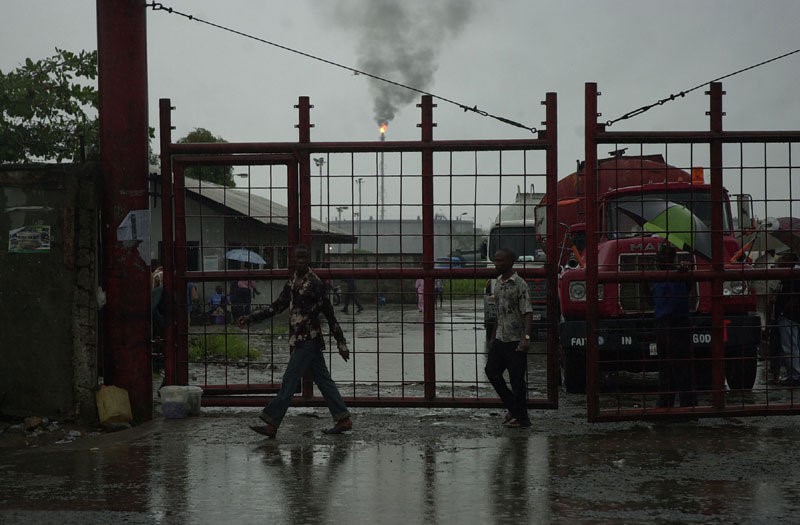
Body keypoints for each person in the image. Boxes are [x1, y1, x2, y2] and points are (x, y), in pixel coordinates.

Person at [239, 244, 353, 438]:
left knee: (290, 380)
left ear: (308, 260)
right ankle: (343, 419)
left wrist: (341, 343)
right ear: (293, 260)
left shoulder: (316, 283)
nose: (300, 261)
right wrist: (251, 318)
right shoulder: (292, 282)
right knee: (324, 380)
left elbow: (329, 314)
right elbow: (277, 307)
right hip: (303, 340)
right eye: (297, 258)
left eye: (304, 258)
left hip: (307, 340)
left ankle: (271, 423)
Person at [484, 247, 533, 428]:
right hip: (500, 339)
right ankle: (515, 408)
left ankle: (523, 419)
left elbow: (527, 312)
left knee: (517, 380)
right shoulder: (497, 283)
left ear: (511, 261)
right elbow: (499, 313)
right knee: (491, 372)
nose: (497, 263)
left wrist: (526, 338)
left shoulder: (520, 284)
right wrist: (492, 337)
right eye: (495, 260)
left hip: (515, 340)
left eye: (500, 260)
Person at [650, 242, 696, 407]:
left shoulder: (657, 278)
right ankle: (685, 405)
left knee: (668, 367)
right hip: (678, 322)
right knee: (680, 367)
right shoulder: (680, 275)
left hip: (667, 323)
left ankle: (668, 404)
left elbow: (651, 298)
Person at [774, 252, 800, 386]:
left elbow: (794, 295)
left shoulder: (794, 274)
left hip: (788, 315)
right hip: (789, 315)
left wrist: (784, 310)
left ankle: (795, 375)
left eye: (783, 257)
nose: (780, 259)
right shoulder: (790, 273)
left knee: (789, 346)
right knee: (792, 345)